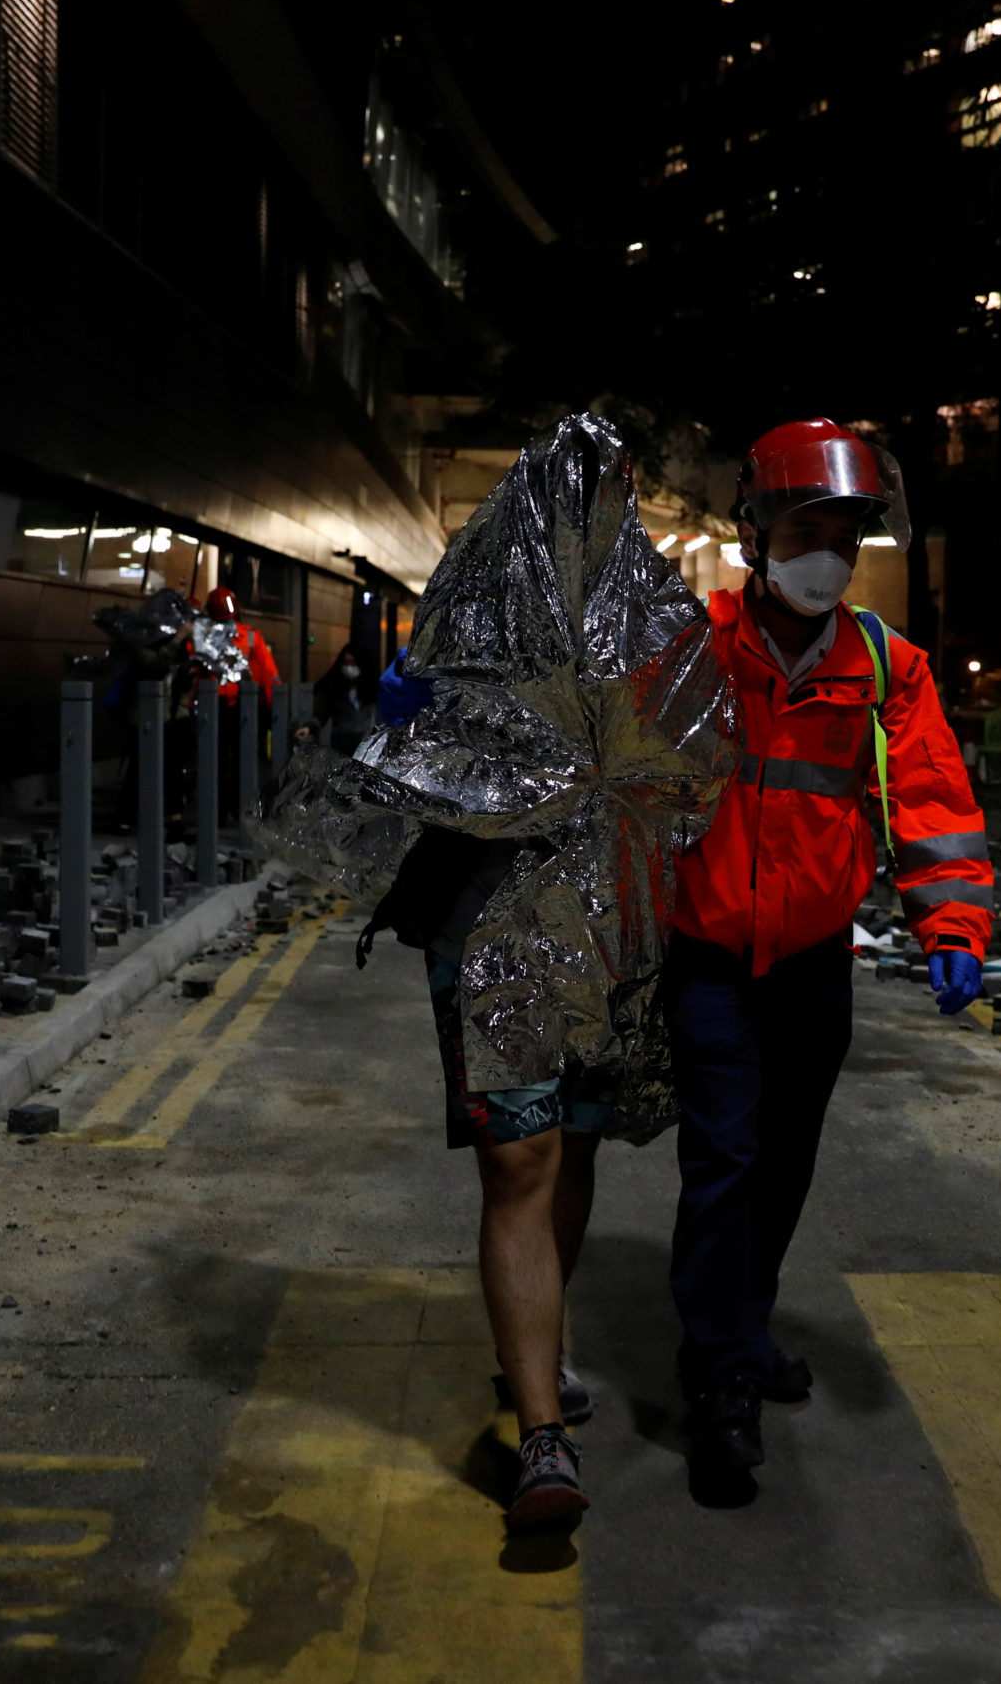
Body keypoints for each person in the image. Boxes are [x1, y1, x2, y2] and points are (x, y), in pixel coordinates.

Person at [665, 419, 993, 1489]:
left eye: (844, 536)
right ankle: (716, 1378)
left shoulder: (887, 667)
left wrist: (951, 923)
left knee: (784, 1160)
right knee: (724, 1159)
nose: (826, 555)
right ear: (756, 531)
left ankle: (744, 1329)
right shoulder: (687, 647)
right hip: (708, 955)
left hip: (811, 962)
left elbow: (934, 805)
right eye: (807, 529)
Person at [373, 650, 602, 1529]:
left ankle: (541, 1354)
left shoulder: (632, 605)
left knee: (574, 1139)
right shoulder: (470, 612)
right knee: (520, 1161)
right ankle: (543, 1435)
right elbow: (397, 784)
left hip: (602, 917)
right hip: (487, 918)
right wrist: (402, 718)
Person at [184, 586, 280, 821]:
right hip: (236, 708)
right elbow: (269, 675)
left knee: (217, 760)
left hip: (219, 707)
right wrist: (271, 707)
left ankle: (220, 811)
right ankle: (235, 810)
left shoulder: (202, 636)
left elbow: (190, 669)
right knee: (238, 760)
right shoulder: (249, 636)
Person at [313, 643, 377, 756]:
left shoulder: (372, 689)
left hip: (366, 746)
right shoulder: (335, 688)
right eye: (346, 663)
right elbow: (320, 714)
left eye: (353, 663)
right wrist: (310, 727)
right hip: (342, 744)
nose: (349, 668)